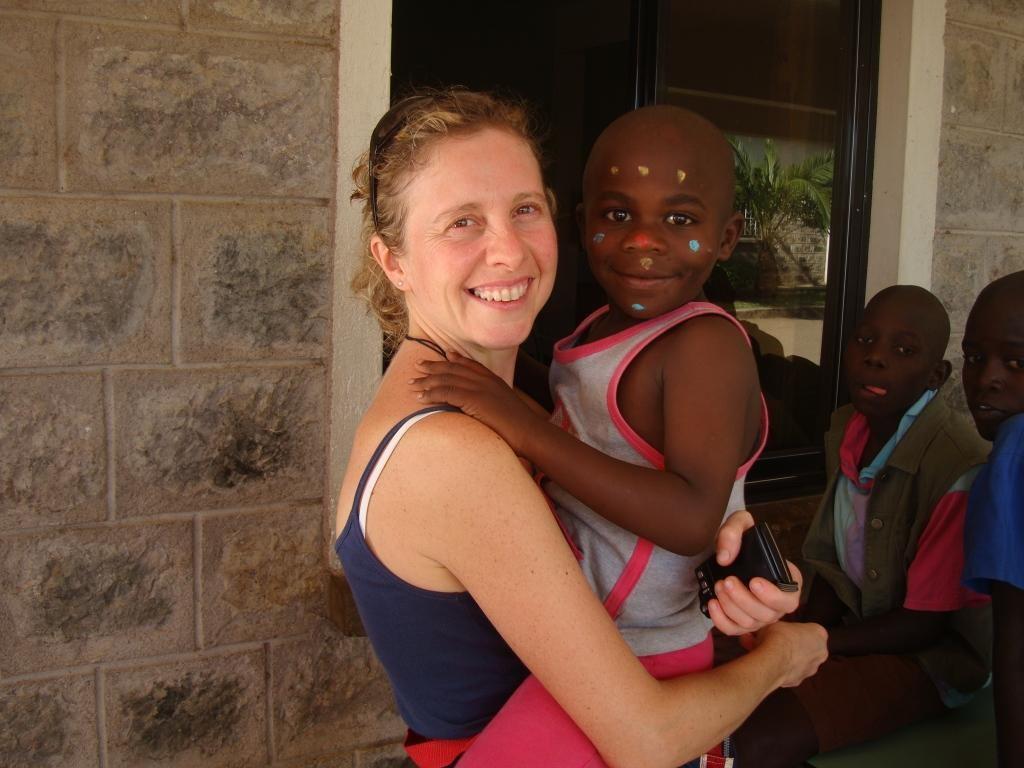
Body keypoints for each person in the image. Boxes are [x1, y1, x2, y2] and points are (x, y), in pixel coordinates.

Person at [335, 88, 827, 768]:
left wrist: (731, 563)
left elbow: (660, 509)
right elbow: (647, 741)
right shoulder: (452, 450)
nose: (507, 251)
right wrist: (784, 656)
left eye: (523, 210)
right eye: (461, 222)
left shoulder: (494, 402)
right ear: (393, 261)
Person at [411, 103, 774, 672]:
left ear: (726, 237)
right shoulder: (605, 325)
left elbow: (691, 519)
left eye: (679, 220)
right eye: (618, 214)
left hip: (648, 655)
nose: (643, 241)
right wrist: (482, 363)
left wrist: (522, 424)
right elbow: (582, 408)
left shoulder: (705, 347)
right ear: (582, 226)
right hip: (582, 633)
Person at [730, 285, 992, 767]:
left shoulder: (958, 468)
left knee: (756, 736)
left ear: (937, 374)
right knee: (721, 669)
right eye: (864, 341)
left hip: (928, 658)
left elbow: (925, 624)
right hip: (860, 628)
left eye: (903, 350)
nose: (875, 359)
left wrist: (815, 644)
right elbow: (833, 564)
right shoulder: (848, 427)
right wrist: (807, 630)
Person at [960, 270, 1024, 768]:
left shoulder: (1015, 453)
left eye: (1017, 361)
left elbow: (1016, 643)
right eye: (975, 358)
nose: (987, 379)